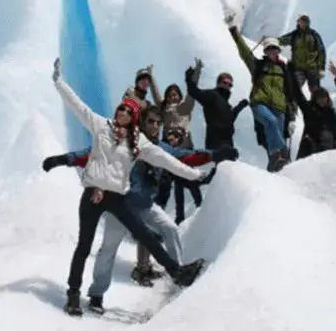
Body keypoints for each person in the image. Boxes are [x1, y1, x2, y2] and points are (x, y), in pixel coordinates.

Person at [51, 58, 209, 316]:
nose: (121, 112)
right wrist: (59, 82)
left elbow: (166, 160)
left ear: (134, 117)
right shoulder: (101, 125)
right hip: (92, 194)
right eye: (120, 108)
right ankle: (74, 294)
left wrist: (193, 174)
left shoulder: (139, 143)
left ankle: (177, 272)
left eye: (127, 110)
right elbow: (77, 106)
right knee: (84, 246)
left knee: (145, 233)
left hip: (116, 196)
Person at [228, 20, 295, 172]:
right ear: (265, 51)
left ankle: (277, 169)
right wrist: (234, 32)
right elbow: (245, 52)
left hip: (280, 107)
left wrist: (291, 117)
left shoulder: (284, 70)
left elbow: (290, 94)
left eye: (274, 49)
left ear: (278, 50)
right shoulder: (258, 66)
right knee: (271, 123)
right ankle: (281, 153)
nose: (272, 51)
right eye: (269, 49)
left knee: (276, 136)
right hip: (260, 103)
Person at [150, 59, 203, 221]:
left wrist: (197, 72)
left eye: (175, 94)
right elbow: (156, 95)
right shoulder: (164, 108)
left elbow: (192, 91)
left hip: (185, 146)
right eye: (170, 94)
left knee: (187, 176)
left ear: (179, 96)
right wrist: (151, 77)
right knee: (173, 180)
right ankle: (176, 214)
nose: (173, 97)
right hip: (169, 146)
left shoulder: (186, 106)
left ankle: (200, 204)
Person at [289, 61, 336, 159]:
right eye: (319, 98)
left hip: (328, 151)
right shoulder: (309, 110)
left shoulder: (331, 113)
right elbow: (298, 95)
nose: (321, 100)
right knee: (308, 141)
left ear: (327, 98)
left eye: (323, 97)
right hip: (311, 150)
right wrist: (291, 73)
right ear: (315, 99)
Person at [184, 65, 249, 151]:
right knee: (218, 163)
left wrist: (240, 106)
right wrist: (189, 79)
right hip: (215, 143)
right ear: (218, 83)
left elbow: (230, 118)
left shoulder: (226, 105)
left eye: (230, 85)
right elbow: (194, 92)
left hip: (228, 142)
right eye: (225, 82)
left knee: (229, 163)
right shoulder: (212, 95)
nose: (227, 86)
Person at [277, 14, 326, 92]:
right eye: (301, 21)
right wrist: (272, 41)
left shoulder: (314, 35)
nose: (303, 23)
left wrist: (321, 68)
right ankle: (293, 103)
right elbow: (282, 40)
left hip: (312, 69)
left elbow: (321, 52)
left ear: (308, 23)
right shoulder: (294, 35)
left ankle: (315, 104)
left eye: (305, 21)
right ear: (298, 22)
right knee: (294, 89)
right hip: (298, 68)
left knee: (316, 92)